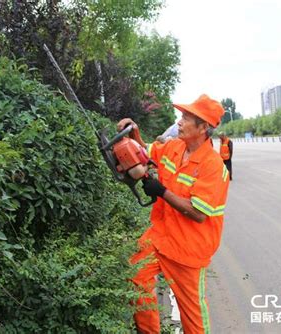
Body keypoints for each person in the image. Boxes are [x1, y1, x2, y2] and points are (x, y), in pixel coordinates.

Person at [117, 94, 230, 334]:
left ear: (203, 127)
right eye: (181, 116)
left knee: (193, 318)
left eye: (186, 118)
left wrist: (161, 191)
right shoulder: (175, 147)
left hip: (188, 250)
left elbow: (198, 213)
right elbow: (146, 151)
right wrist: (133, 133)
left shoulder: (213, 167)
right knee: (135, 277)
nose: (179, 122)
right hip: (161, 235)